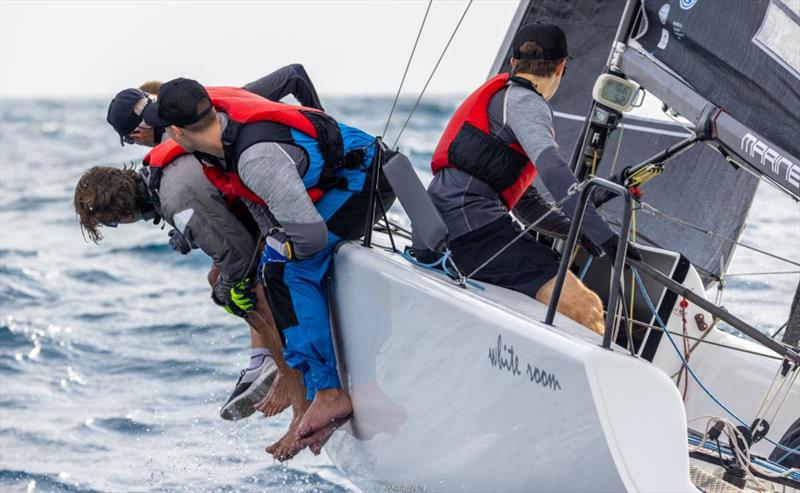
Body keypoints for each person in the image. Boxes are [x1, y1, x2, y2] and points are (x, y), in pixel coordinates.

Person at [141, 77, 395, 457]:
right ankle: (312, 391)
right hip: (334, 182)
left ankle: (329, 393)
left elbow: (307, 238)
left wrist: (276, 257)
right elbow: (264, 211)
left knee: (284, 271)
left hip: (367, 182)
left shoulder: (254, 158)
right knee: (271, 267)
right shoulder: (217, 138)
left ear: (177, 132)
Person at [97, 65, 323, 425]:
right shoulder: (173, 151)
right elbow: (208, 192)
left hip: (296, 189)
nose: (138, 142)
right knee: (224, 275)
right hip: (258, 209)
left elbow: (293, 75)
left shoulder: (198, 119)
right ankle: (262, 361)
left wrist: (321, 126)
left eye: (132, 137)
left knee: (239, 278)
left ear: (138, 131)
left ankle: (286, 373)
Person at [424, 23, 639, 335]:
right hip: (476, 236)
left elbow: (528, 208)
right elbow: (552, 169)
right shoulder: (527, 102)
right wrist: (605, 235)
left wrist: (578, 232)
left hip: (445, 229)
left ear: (513, 62)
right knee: (588, 308)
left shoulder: (499, 104)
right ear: (561, 68)